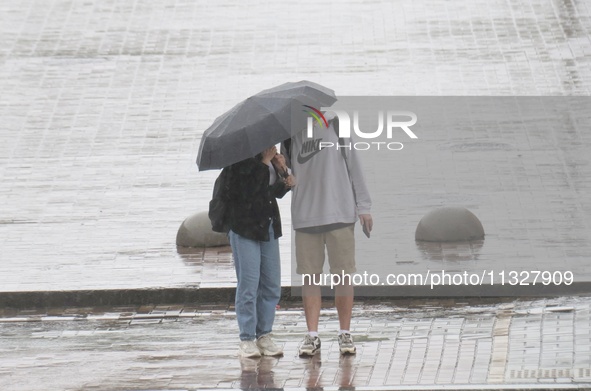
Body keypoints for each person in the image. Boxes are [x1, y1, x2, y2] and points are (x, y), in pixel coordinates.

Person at [282, 115, 373, 356]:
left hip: (340, 213)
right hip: (306, 216)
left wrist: (363, 207)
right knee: (309, 277)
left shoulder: (337, 127)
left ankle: (345, 333)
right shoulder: (289, 137)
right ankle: (312, 335)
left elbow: (355, 166)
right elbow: (285, 178)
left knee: (343, 276)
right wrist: (279, 168)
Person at [227, 145, 295, 358]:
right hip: (244, 227)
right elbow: (248, 192)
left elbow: (273, 193)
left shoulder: (270, 159)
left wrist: (283, 171)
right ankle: (247, 338)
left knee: (272, 284)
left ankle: (264, 335)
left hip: (267, 226)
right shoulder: (238, 159)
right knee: (249, 284)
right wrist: (264, 163)